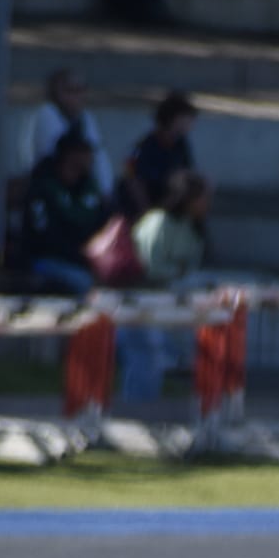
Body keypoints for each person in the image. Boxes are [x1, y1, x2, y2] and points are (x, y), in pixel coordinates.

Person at [119, 170, 210, 402]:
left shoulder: (193, 228)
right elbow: (148, 267)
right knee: (145, 355)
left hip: (171, 302)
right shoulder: (158, 222)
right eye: (201, 197)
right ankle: (133, 412)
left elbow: (190, 266)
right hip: (139, 298)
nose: (206, 204)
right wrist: (176, 273)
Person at [22, 132, 109, 295]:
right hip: (45, 259)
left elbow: (102, 222)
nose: (89, 158)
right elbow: (43, 238)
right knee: (85, 282)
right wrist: (81, 254)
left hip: (82, 260)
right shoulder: (43, 189)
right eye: (83, 152)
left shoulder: (86, 187)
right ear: (70, 156)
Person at [23, 69, 112, 201]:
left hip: (81, 188)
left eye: (80, 90)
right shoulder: (46, 114)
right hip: (51, 189)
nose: (76, 96)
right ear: (54, 93)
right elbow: (60, 159)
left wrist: (106, 191)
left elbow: (98, 155)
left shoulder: (85, 117)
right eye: (70, 90)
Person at [119, 91, 197, 219]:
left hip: (166, 201)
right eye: (188, 118)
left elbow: (187, 171)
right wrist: (147, 214)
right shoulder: (146, 146)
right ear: (175, 118)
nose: (191, 124)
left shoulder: (180, 144)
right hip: (142, 208)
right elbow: (132, 178)